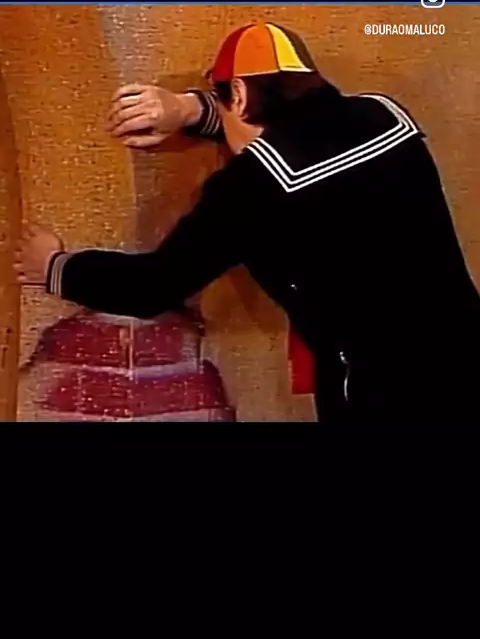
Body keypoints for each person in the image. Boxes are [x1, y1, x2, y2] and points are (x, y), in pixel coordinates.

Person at [15, 23, 480, 421]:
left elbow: (153, 284)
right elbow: (302, 130)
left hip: (381, 397)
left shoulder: (253, 187)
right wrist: (189, 109)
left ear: (237, 95)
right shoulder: (385, 115)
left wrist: (56, 267)